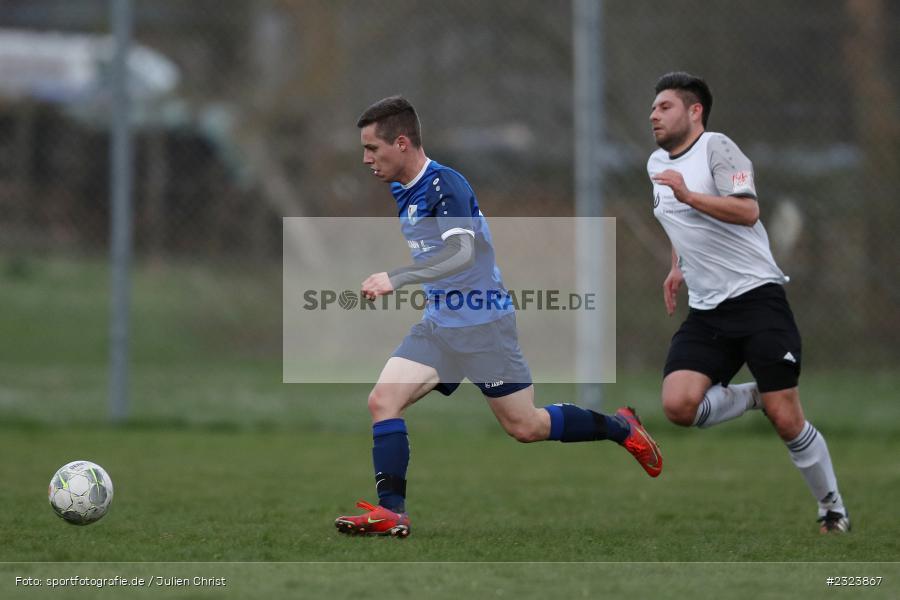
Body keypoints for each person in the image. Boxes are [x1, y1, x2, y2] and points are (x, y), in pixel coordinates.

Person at [334, 95, 662, 537]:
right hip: (439, 327)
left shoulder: (444, 186)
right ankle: (392, 512)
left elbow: (463, 252)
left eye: (373, 148)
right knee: (382, 401)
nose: (366, 158)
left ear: (403, 143)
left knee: (525, 426)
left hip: (484, 328)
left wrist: (399, 277)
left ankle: (622, 427)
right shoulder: (402, 189)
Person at [646, 72, 849, 533]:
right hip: (708, 312)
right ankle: (756, 394)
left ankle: (832, 508)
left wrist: (691, 195)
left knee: (787, 418)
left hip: (758, 300)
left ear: (694, 111)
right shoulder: (656, 162)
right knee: (679, 406)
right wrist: (677, 265)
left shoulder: (719, 148)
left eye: (665, 106)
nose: (654, 114)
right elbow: (678, 220)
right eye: (654, 108)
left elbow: (747, 210)